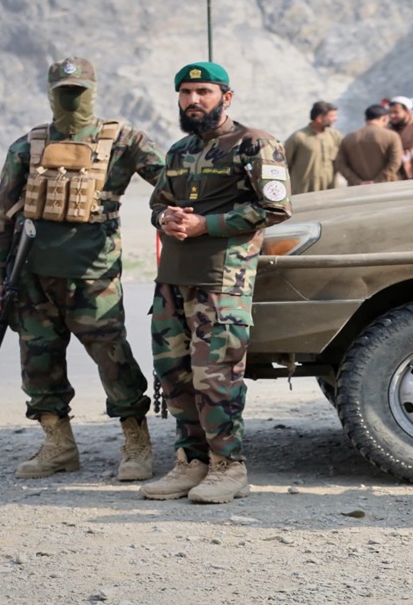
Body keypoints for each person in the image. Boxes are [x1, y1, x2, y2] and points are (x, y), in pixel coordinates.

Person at [0, 57, 165, 481]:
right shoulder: (27, 146)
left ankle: (136, 441)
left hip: (93, 278)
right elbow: (1, 217)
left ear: (92, 92)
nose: (71, 99)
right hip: (31, 279)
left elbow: (173, 182)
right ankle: (58, 444)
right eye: (64, 91)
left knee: (113, 360)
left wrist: (176, 214)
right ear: (50, 94)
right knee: (38, 362)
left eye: (78, 92)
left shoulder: (124, 141)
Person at [140, 61, 291, 504]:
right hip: (173, 279)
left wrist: (207, 225)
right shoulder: (178, 151)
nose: (193, 100)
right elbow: (157, 203)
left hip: (222, 281)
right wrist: (165, 218)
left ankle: (228, 467)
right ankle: (192, 463)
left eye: (203, 92)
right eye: (186, 93)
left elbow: (275, 209)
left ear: (226, 97)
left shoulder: (254, 144)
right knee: (174, 375)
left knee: (216, 378)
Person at [335, 105, 404, 185]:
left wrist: (357, 181)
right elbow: (395, 162)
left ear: (365, 119)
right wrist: (377, 181)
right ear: (385, 118)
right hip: (387, 185)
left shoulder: (348, 138)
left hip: (357, 188)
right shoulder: (392, 136)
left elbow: (340, 164)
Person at [283, 101, 342, 194]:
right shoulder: (299, 137)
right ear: (319, 118)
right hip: (304, 193)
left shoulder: (335, 136)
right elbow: (284, 164)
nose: (335, 119)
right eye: (332, 116)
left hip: (329, 192)